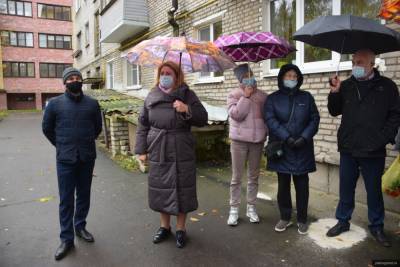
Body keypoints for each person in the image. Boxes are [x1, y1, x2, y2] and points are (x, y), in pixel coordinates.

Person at [326, 49, 400, 247]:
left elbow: (395, 116)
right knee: (345, 187)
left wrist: (382, 138)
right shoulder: (347, 85)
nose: (355, 66)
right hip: (349, 146)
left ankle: (376, 226)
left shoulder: (387, 86)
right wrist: (334, 92)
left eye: (359, 62)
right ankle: (343, 221)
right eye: (353, 62)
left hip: (373, 149)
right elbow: (334, 111)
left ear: (371, 64)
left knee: (373, 190)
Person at [135, 61, 208, 248]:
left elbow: (202, 118)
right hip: (158, 148)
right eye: (162, 73)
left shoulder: (187, 94)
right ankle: (164, 227)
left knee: (183, 188)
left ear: (177, 76)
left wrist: (186, 109)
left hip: (181, 149)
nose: (165, 76)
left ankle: (181, 228)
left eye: (169, 73)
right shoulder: (151, 96)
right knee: (161, 188)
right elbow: (143, 124)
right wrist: (141, 150)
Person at [42, 67, 103, 260]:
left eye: (77, 77)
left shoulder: (92, 104)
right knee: (66, 200)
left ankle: (80, 227)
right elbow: (47, 128)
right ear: (65, 82)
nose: (74, 80)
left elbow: (97, 128)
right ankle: (66, 238)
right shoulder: (54, 104)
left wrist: (83, 142)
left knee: (84, 195)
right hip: (65, 160)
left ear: (81, 81)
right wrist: (61, 144)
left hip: (86, 158)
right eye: (71, 78)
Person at [264, 64, 320, 234]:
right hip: (283, 147)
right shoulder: (272, 99)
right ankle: (285, 217)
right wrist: (287, 137)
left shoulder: (307, 97)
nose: (291, 79)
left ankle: (302, 219)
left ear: (299, 78)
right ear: (281, 77)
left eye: (294, 76)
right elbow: (270, 120)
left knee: (302, 184)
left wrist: (304, 137)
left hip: (302, 148)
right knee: (283, 184)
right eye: (288, 76)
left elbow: (314, 119)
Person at [226, 64, 268, 226]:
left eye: (251, 75)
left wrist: (267, 134)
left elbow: (268, 117)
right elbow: (236, 115)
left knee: (253, 177)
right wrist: (246, 97)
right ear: (240, 80)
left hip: (257, 142)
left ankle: (251, 207)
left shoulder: (263, 96)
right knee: (236, 177)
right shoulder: (234, 94)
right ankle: (234, 209)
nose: (249, 78)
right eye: (245, 76)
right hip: (238, 142)